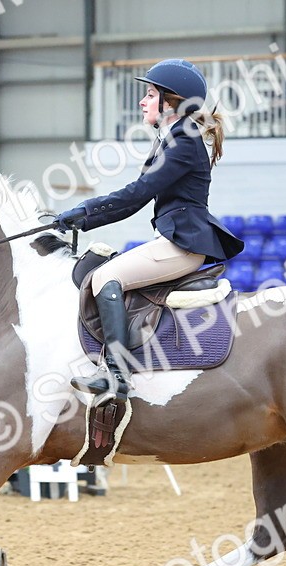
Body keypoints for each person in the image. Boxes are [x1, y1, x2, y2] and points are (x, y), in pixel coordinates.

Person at [55, 58, 244, 405]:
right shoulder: (172, 138)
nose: (143, 102)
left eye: (150, 95)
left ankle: (116, 374)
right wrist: (82, 216)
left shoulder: (183, 140)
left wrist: (84, 211)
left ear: (171, 102)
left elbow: (136, 194)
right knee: (98, 268)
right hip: (174, 241)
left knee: (106, 277)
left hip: (183, 245)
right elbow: (133, 201)